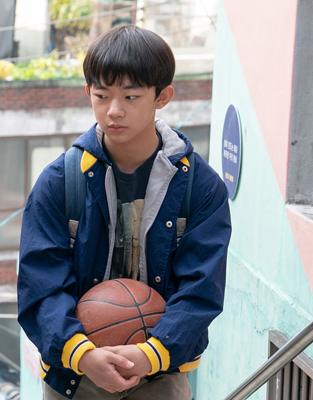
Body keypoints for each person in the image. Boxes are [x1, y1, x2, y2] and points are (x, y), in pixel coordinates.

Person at [17, 25, 231, 400]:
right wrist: (82, 355)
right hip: (77, 372)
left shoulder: (201, 186)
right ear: (88, 93)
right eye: (101, 95)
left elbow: (202, 287)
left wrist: (153, 353)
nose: (114, 110)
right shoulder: (59, 181)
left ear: (162, 96)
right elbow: (40, 284)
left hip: (161, 371)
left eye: (131, 96)